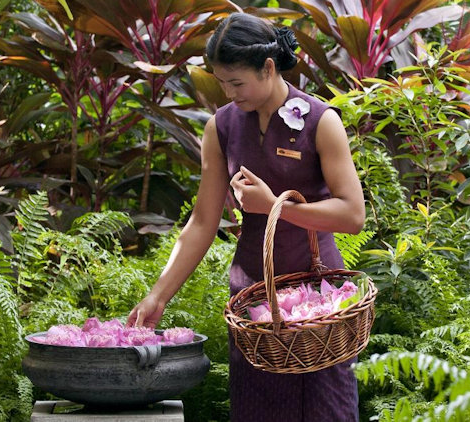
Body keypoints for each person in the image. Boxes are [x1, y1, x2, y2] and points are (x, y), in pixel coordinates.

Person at [126, 12, 365, 422]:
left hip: (318, 304)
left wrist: (276, 206)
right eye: (222, 83)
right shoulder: (221, 127)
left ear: (268, 68)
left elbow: (352, 215)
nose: (229, 93)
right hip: (252, 304)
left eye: (237, 82)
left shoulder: (321, 121)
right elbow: (202, 223)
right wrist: (158, 295)